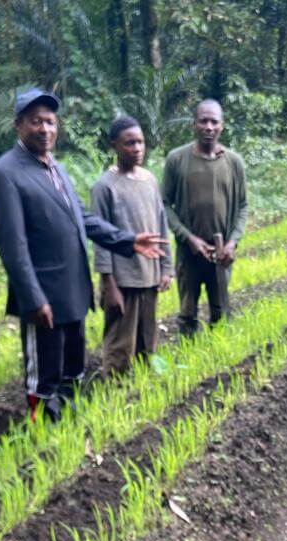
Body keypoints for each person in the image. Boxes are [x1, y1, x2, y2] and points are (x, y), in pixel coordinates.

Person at [0, 88, 166, 422]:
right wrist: (33, 298)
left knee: (72, 365)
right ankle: (42, 429)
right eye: (36, 121)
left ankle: (67, 421)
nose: (45, 129)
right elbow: (13, 247)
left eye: (50, 122)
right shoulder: (6, 173)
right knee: (45, 372)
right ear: (18, 125)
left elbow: (82, 219)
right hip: (44, 294)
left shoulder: (55, 167)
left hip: (73, 288)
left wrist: (127, 241)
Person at [91, 115, 173, 376]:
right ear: (114, 146)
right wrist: (109, 284)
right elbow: (101, 238)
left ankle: (141, 387)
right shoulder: (105, 187)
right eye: (129, 143)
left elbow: (161, 224)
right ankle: (114, 386)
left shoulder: (149, 180)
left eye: (140, 142)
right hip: (122, 280)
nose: (137, 148)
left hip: (149, 275)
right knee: (120, 342)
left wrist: (166, 267)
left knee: (147, 339)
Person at [162, 99, 248, 337]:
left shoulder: (234, 163)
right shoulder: (177, 160)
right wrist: (188, 238)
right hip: (189, 253)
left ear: (222, 126)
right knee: (187, 313)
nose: (209, 127)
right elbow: (164, 204)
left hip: (221, 255)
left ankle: (217, 355)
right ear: (194, 124)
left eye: (214, 122)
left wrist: (232, 243)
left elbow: (243, 206)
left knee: (220, 311)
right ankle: (189, 355)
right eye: (203, 121)